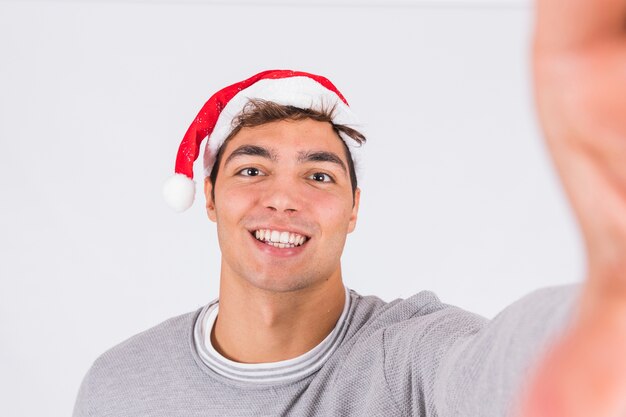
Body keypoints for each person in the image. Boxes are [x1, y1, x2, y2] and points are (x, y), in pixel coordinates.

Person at [72, 0, 626, 415]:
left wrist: (599, 314)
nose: (284, 198)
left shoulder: (406, 360)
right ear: (210, 197)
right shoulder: (118, 385)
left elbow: (485, 368)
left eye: (318, 175)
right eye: (251, 170)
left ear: (354, 208)